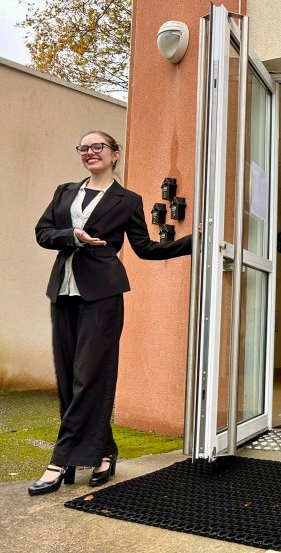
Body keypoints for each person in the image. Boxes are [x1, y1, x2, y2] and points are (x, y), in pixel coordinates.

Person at [29, 131, 192, 496]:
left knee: (90, 376)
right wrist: (72, 235)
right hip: (63, 293)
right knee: (69, 378)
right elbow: (43, 232)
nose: (90, 152)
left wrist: (193, 242)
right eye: (83, 147)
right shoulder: (64, 192)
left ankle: (60, 460)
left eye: (97, 146)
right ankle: (104, 452)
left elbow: (145, 248)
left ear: (115, 154)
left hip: (102, 294)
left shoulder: (128, 200)